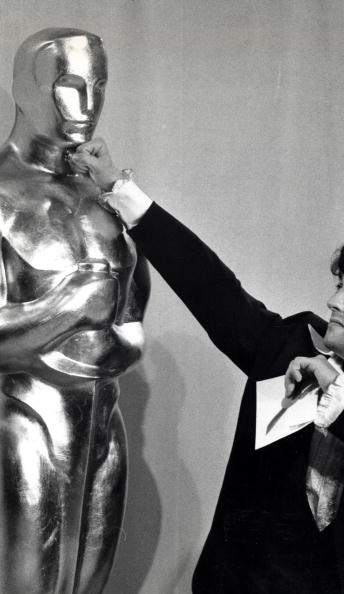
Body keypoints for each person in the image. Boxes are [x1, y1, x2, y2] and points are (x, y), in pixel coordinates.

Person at [70, 139, 344, 594]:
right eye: (338, 285)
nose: (333, 300)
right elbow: (211, 288)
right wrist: (119, 190)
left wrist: (340, 395)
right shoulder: (291, 346)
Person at [0, 30, 149, 593]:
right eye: (68, 87)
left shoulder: (99, 197)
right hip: (23, 421)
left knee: (88, 584)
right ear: (24, 88)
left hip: (101, 417)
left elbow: (131, 320)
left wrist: (119, 342)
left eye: (98, 87)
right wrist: (68, 310)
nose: (85, 108)